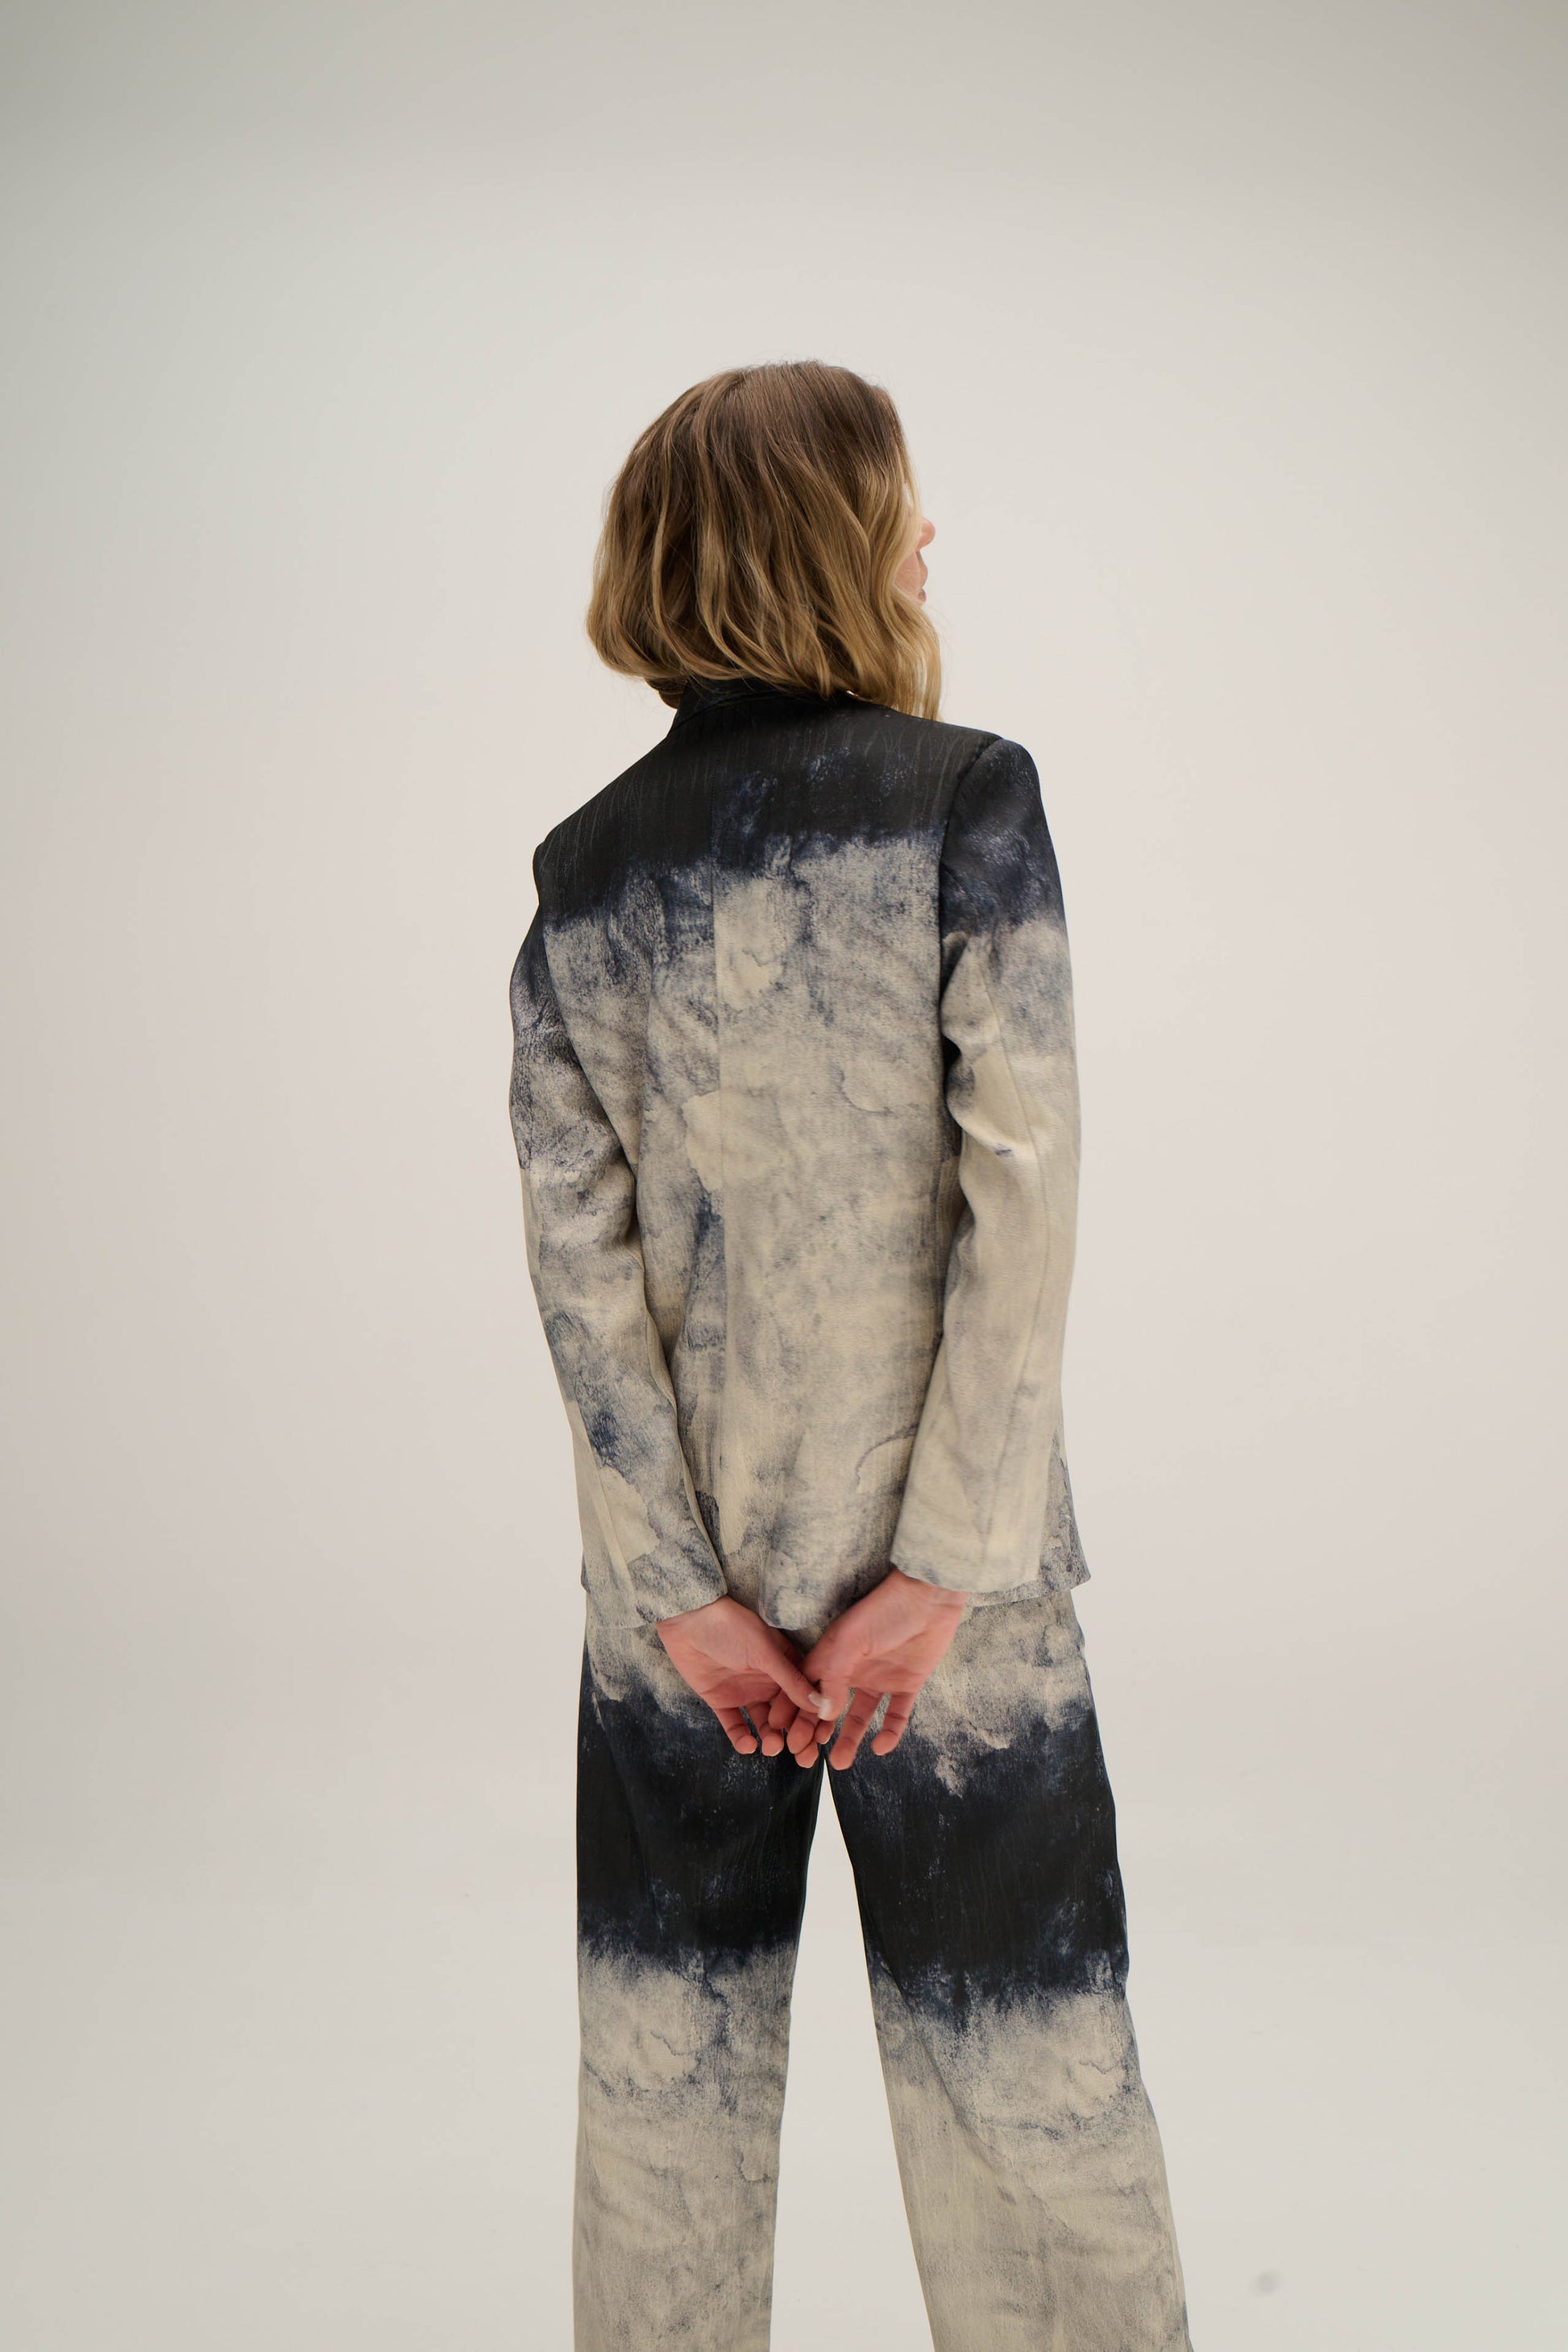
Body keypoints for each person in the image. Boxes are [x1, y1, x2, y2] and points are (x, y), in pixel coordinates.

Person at [508, 360, 1193, 2352]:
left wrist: (682, 1601)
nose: (926, 536)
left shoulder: (584, 874)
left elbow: (578, 1282)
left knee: (664, 2089)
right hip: (949, 1593)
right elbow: (1020, 1206)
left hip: (683, 1623)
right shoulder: (968, 801)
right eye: (899, 503)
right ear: (827, 544)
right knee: (1029, 2087)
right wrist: (945, 1566)